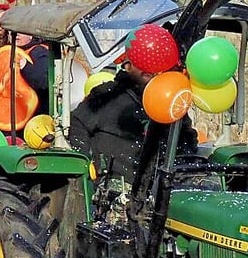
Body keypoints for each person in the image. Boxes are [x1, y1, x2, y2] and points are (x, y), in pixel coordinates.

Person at [69, 57, 198, 223]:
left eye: (155, 63)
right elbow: (78, 123)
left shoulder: (170, 99)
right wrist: (85, 161)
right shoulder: (107, 95)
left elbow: (186, 138)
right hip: (117, 189)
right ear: (127, 65)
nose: (149, 69)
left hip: (163, 189)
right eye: (143, 62)